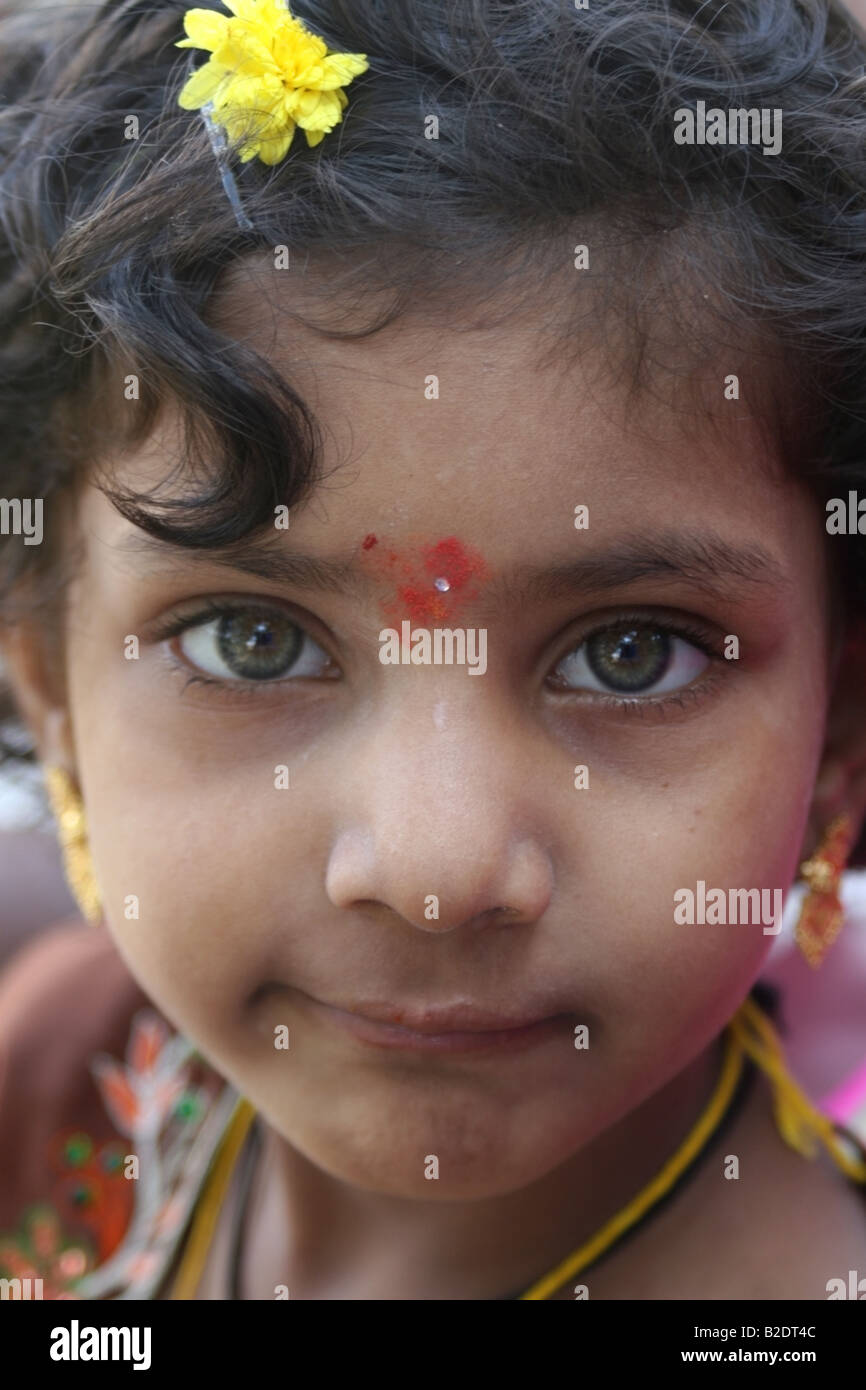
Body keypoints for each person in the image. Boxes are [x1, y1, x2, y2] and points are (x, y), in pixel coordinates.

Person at [0, 0, 865, 1301]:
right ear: (52, 690)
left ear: (841, 736)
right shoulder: (63, 1070)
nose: (430, 869)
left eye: (631, 653)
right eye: (251, 640)